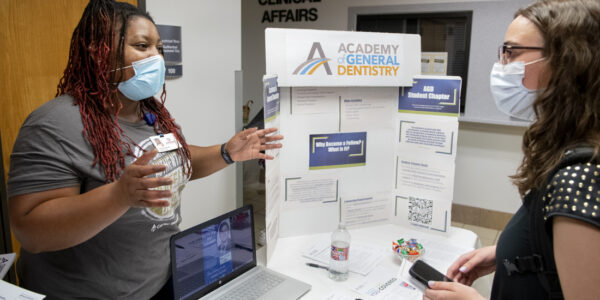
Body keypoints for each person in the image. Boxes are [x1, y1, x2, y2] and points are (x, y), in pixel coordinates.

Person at [6, 1, 282, 299]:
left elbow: (172, 164)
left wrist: (226, 153)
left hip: (160, 282)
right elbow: (30, 230)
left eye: (159, 48)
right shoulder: (54, 123)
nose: (157, 58)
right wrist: (118, 196)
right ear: (97, 50)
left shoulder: (149, 112)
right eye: (142, 46)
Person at [424, 0, 600, 299]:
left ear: (568, 61)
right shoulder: (568, 147)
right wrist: (505, 252)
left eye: (512, 52)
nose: (501, 65)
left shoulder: (581, 178)